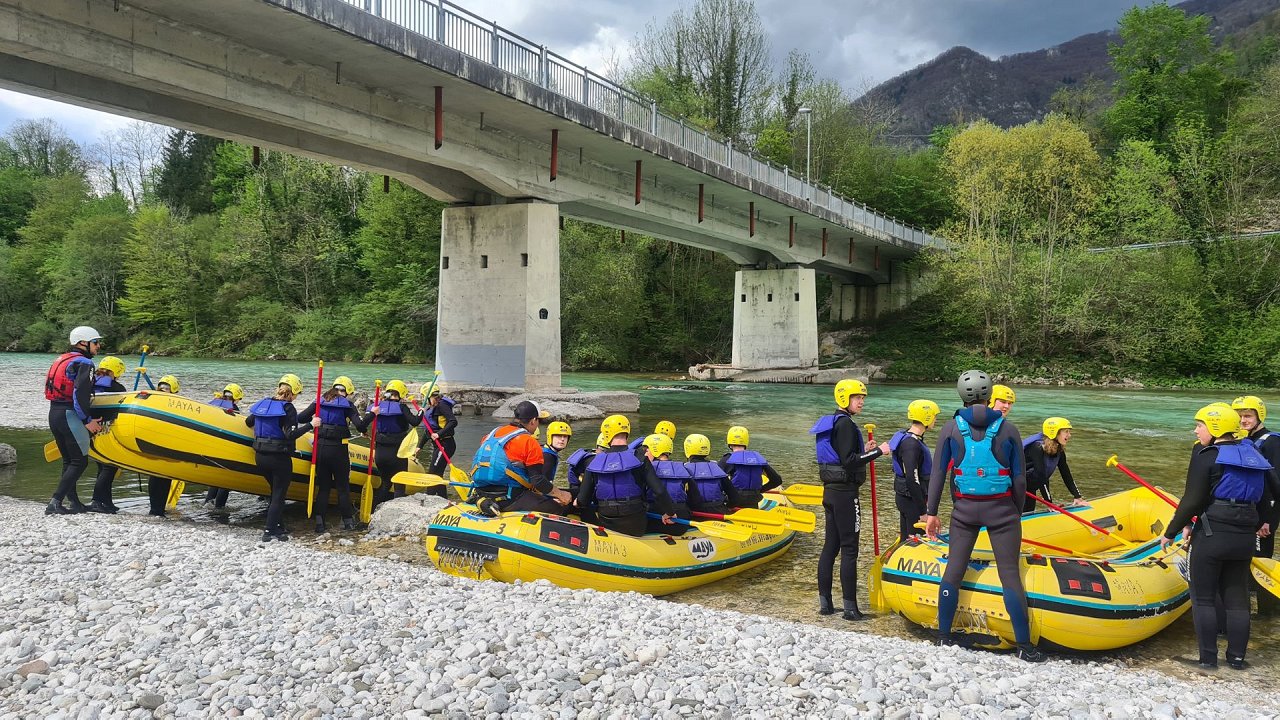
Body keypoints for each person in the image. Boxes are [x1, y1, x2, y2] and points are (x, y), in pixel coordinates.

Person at [923, 370, 1044, 662]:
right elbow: (1019, 479)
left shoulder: (950, 428)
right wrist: (1013, 511)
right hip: (1001, 510)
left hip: (964, 510)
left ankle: (943, 637)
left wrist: (931, 513)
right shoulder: (1009, 429)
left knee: (954, 569)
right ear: (990, 396)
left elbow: (939, 473)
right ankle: (1025, 647)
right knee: (1009, 574)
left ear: (961, 396)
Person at [1162, 404, 1280, 669]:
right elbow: (1271, 493)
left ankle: (1207, 660)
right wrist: (1264, 521)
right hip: (1244, 538)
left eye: (1200, 425)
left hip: (1213, 534)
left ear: (1214, 428)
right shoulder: (1253, 453)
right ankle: (1237, 659)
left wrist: (1171, 531)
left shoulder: (1208, 455)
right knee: (1237, 598)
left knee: (1203, 597)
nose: (1196, 430)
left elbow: (1192, 500)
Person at [809, 379, 891, 621]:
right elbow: (849, 461)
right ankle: (850, 610)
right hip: (845, 495)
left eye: (862, 397)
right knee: (849, 550)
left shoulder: (835, 422)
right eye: (857, 397)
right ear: (845, 398)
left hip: (831, 492)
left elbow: (844, 455)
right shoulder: (845, 424)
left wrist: (864, 448)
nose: (861, 401)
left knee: (830, 547)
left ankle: (825, 605)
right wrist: (878, 452)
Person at [246, 373, 317, 541]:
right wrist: (310, 425)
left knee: (274, 492)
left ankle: (279, 526)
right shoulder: (288, 408)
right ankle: (269, 531)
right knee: (279, 495)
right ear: (293, 393)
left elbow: (249, 422)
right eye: (297, 394)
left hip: (260, 456)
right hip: (279, 458)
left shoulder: (263, 403)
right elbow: (290, 434)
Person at [471, 401, 572, 517]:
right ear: (533, 421)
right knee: (557, 508)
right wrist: (560, 494)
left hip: (482, 492)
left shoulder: (491, 434)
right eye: (538, 421)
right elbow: (537, 480)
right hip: (509, 497)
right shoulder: (529, 441)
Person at [576, 415, 674, 536]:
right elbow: (659, 491)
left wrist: (577, 502)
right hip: (635, 524)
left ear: (606, 434)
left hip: (607, 523)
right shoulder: (640, 457)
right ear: (627, 432)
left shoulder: (594, 462)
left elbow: (583, 500)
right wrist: (669, 512)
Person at [44, 326, 103, 515]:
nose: (98, 346)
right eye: (95, 342)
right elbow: (80, 395)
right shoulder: (84, 363)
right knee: (80, 461)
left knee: (69, 460)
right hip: (70, 415)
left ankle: (75, 503)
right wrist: (88, 421)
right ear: (83, 343)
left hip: (55, 413)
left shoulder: (62, 359)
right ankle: (55, 502)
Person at [297, 376, 368, 532]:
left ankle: (319, 524)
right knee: (342, 488)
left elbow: (300, 418)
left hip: (320, 449)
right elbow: (361, 426)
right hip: (338, 450)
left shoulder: (319, 400)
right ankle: (348, 523)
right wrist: (373, 414)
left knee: (324, 488)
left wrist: (314, 419)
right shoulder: (348, 405)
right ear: (347, 392)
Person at [1233, 395, 1280, 616]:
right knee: (1246, 558)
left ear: (1259, 416)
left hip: (1265, 515)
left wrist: (1269, 520)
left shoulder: (1272, 442)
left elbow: (1277, 485)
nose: (1243, 420)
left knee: (1262, 561)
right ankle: (1249, 598)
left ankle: (1268, 611)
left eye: (1248, 416)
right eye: (1240, 416)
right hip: (1248, 512)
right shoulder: (1244, 441)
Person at [361, 380, 422, 501]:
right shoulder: (402, 407)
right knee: (399, 486)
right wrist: (421, 412)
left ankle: (374, 511)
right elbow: (415, 422)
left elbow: (362, 424)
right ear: (400, 394)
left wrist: (364, 431)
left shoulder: (376, 406)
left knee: (385, 484)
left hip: (380, 454)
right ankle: (396, 513)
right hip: (398, 452)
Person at [889, 399, 940, 542]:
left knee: (907, 539)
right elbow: (912, 479)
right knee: (917, 542)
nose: (936, 419)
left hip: (905, 497)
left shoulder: (909, 438)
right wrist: (924, 512)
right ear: (927, 418)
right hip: (911, 501)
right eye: (934, 416)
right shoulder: (911, 444)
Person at [86, 355, 127, 514]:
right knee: (109, 467)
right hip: (107, 429)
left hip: (91, 429)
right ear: (116, 371)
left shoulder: (90, 383)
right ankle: (96, 500)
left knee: (102, 466)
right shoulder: (117, 387)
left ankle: (107, 502)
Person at [1022, 417, 1085, 512]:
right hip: (1018, 489)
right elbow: (1041, 476)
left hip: (1030, 489)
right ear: (1054, 432)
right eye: (1066, 431)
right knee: (1021, 516)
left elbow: (1066, 474)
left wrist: (1077, 497)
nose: (1069, 435)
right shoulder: (1037, 448)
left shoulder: (1059, 450)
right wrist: (1049, 503)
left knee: (1028, 512)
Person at [717, 425, 783, 509]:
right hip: (754, 501)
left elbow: (715, 481)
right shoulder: (758, 459)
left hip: (734, 502)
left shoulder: (728, 458)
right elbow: (777, 480)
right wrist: (759, 490)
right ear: (746, 441)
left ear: (729, 442)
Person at [145, 374, 184, 516]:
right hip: (164, 445)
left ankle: (155, 509)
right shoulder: (172, 403)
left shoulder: (153, 399)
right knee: (163, 477)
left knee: (155, 476)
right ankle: (158, 510)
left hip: (153, 443)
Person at [204, 383, 244, 508]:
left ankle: (208, 502)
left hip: (212, 447)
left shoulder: (214, 403)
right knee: (226, 482)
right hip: (227, 448)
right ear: (236, 397)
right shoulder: (235, 409)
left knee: (215, 479)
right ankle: (219, 507)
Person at [645, 433, 690, 535]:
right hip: (680, 523)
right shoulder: (682, 467)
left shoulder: (646, 469)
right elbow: (694, 497)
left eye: (646, 450)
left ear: (654, 450)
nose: (645, 453)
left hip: (654, 519)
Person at [423, 388, 459, 487]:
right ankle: (442, 498)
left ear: (431, 397)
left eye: (425, 397)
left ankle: (430, 498)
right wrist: (419, 446)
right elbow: (429, 431)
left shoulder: (442, 405)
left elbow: (453, 421)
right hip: (438, 445)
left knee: (432, 474)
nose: (425, 400)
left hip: (445, 444)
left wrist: (439, 434)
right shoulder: (430, 408)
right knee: (437, 474)